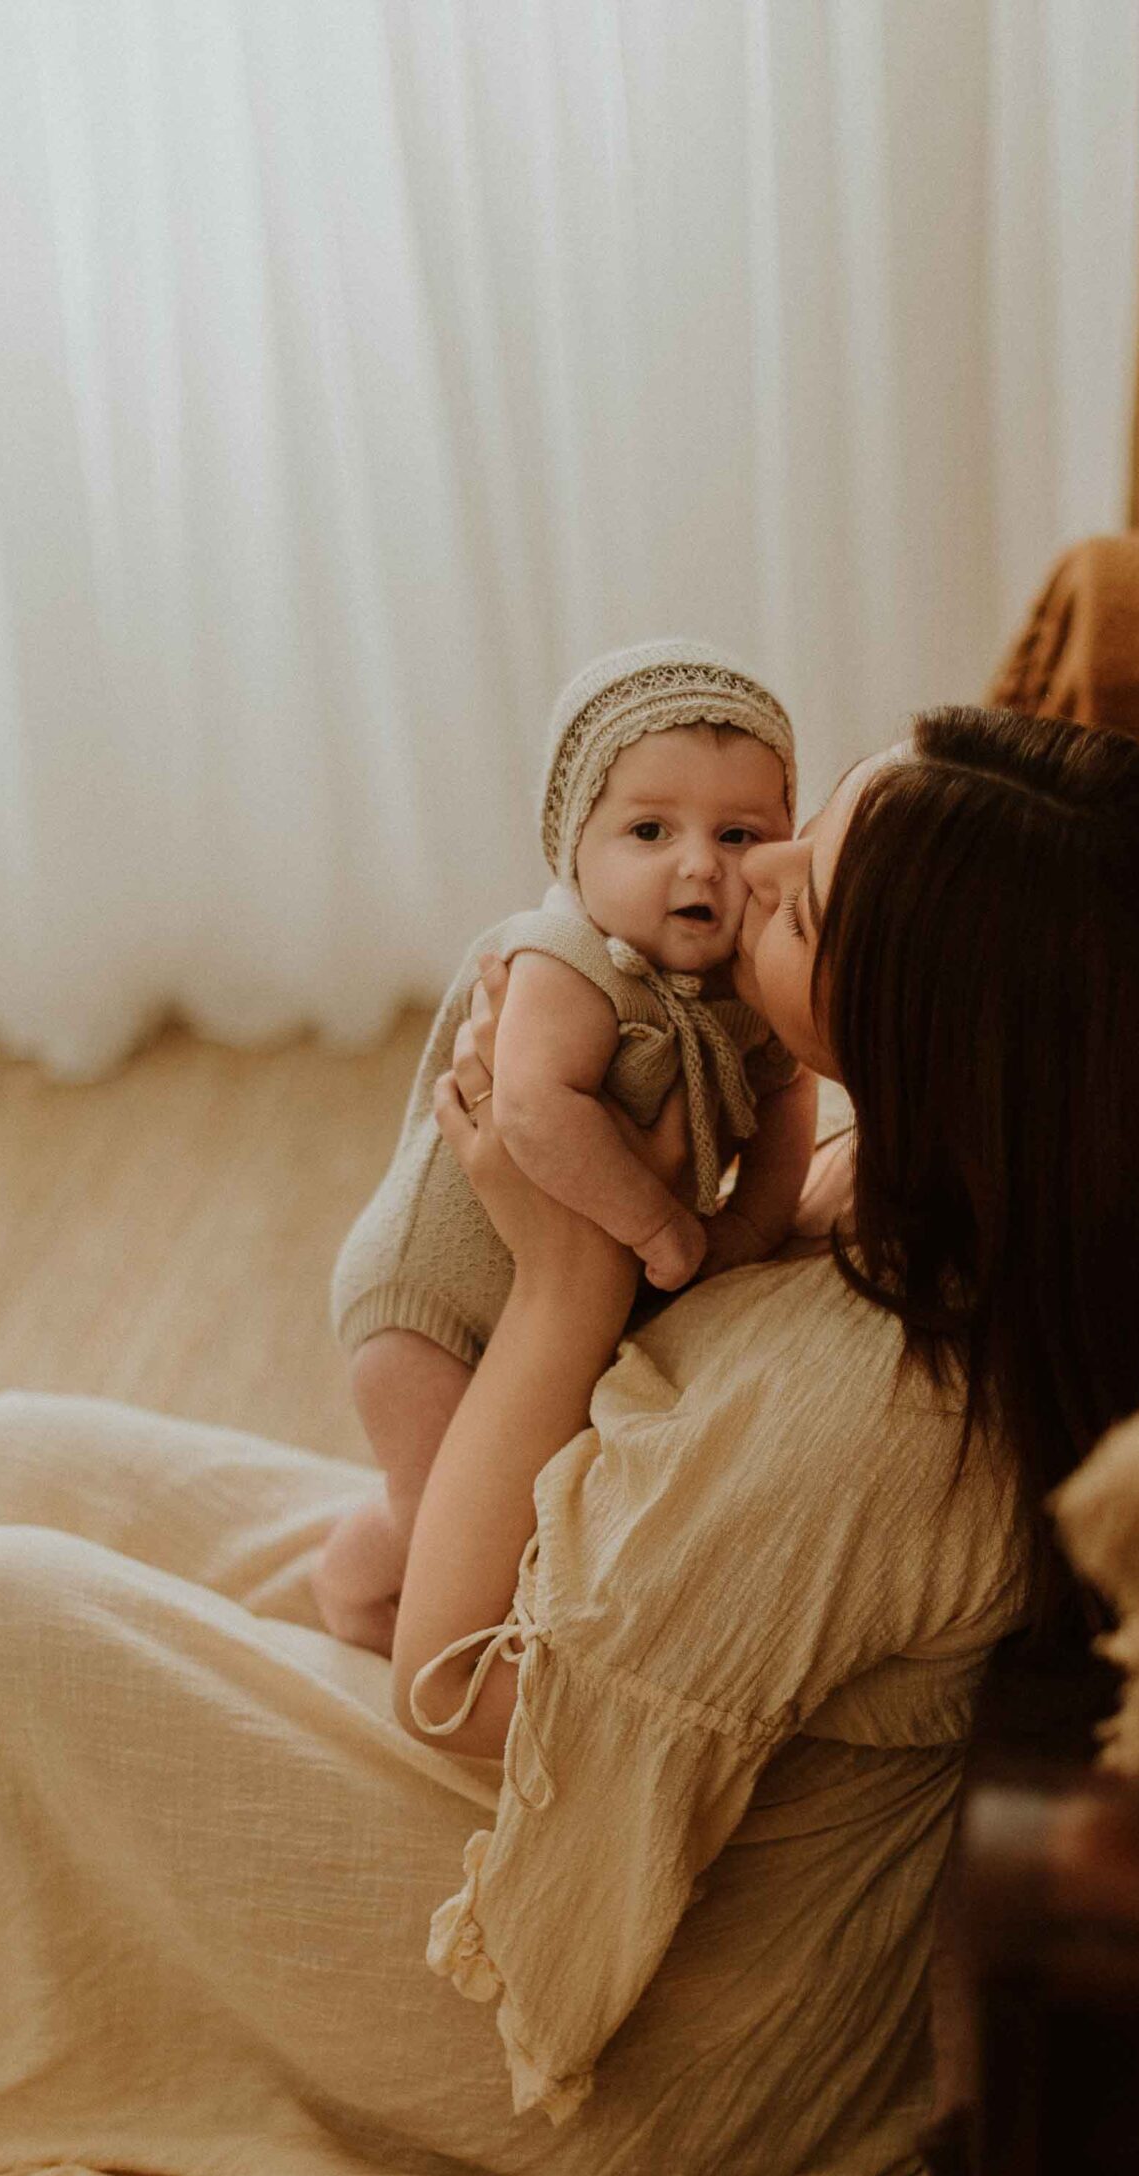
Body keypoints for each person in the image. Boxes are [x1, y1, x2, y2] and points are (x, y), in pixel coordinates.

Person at [0, 707, 1139, 2176]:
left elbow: (461, 1696)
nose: (732, 877)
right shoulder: (946, 1182)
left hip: (647, 2020)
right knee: (7, 1458)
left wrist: (569, 1272)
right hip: (620, 1725)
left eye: (793, 896)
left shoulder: (867, 1418)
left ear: (931, 1027)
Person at [315, 640, 816, 1653]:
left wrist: (748, 1236)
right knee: (437, 1518)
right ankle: (348, 1586)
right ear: (572, 847)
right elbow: (534, 1112)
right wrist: (666, 1229)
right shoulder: (562, 961)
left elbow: (786, 1116)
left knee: (526, 1503)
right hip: (426, 1307)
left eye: (736, 832)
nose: (696, 863)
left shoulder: (738, 992)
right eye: (647, 828)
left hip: (542, 1303)